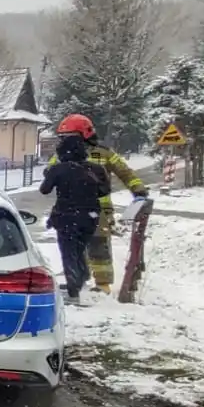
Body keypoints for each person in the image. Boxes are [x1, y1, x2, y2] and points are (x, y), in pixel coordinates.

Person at [49, 113, 148, 293]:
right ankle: (78, 280)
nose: (65, 141)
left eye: (69, 137)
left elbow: (125, 172)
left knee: (98, 245)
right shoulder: (62, 155)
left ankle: (103, 284)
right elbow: (50, 172)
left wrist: (138, 190)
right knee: (74, 247)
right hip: (70, 208)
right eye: (63, 137)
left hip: (99, 210)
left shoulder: (102, 153)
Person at [40, 134, 109, 302]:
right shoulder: (96, 169)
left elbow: (45, 190)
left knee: (68, 252)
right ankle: (80, 278)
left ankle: (73, 292)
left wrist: (51, 174)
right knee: (79, 249)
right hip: (90, 217)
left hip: (66, 217)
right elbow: (104, 191)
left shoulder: (59, 169)